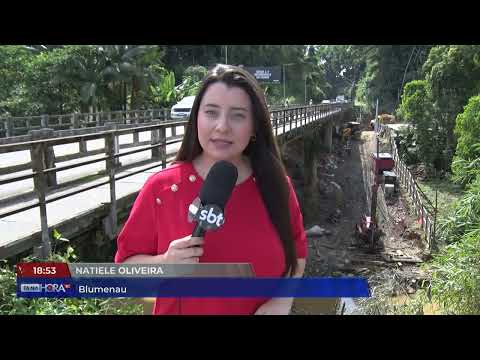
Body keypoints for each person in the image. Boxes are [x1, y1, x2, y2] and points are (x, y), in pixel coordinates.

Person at [115, 64, 307, 315]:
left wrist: (282, 300)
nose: (222, 126)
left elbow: (298, 250)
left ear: (254, 127)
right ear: (196, 118)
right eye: (211, 112)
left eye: (237, 115)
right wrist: (164, 264)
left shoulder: (277, 185)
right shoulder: (162, 189)